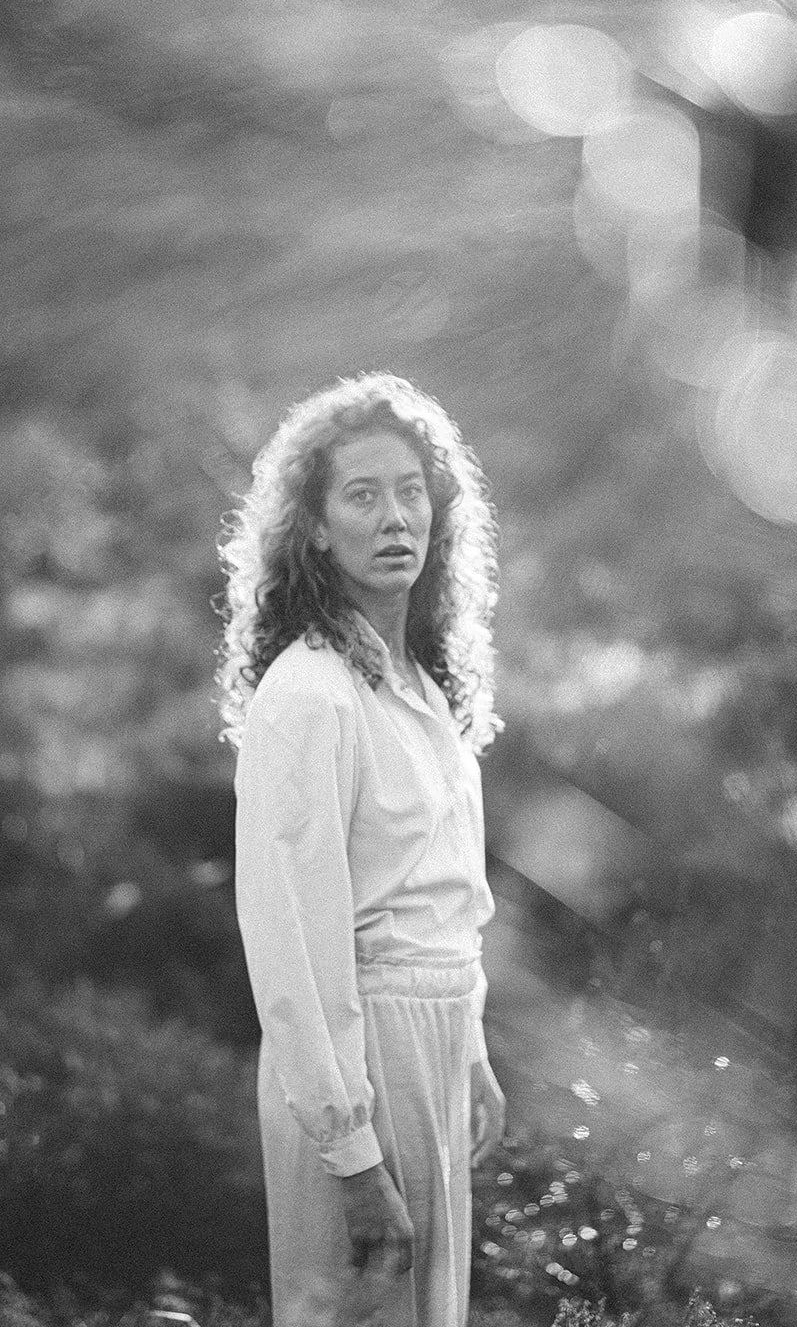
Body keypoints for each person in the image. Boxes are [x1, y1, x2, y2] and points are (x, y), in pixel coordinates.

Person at [216, 371, 506, 1327]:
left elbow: (441, 897)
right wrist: (350, 1153)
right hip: (357, 1057)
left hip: (433, 1048)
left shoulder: (422, 688)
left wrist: (468, 1048)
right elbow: (293, 947)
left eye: (411, 491)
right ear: (312, 527)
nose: (395, 518)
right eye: (362, 495)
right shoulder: (309, 696)